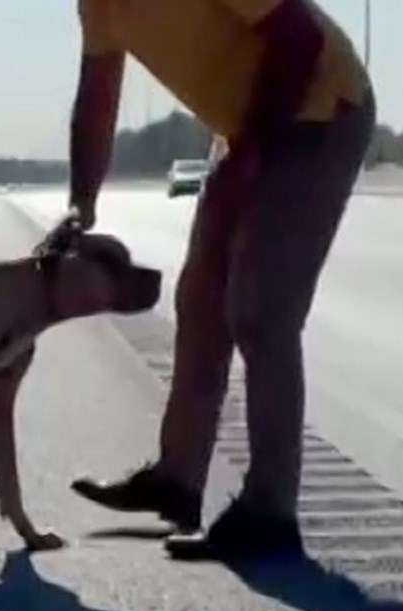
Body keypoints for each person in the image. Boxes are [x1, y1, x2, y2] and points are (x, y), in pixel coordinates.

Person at [65, 0, 376, 562]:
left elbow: (299, 37)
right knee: (202, 304)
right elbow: (98, 95)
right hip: (250, 123)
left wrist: (251, 157)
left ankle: (270, 511)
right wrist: (80, 202)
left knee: (260, 310)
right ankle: (177, 480)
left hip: (320, 110)